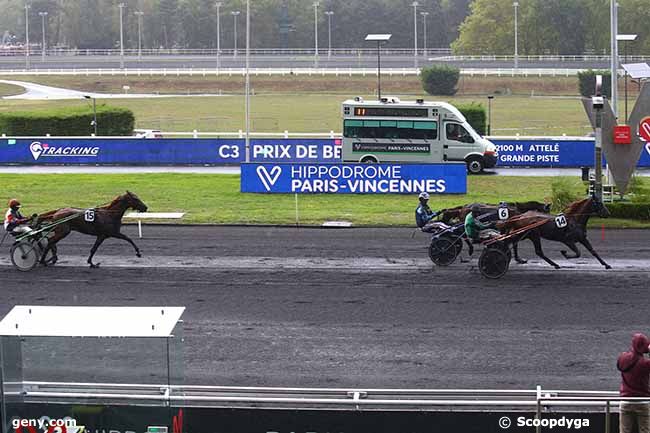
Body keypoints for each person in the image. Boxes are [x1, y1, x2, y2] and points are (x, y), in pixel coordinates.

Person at [617, 333, 650, 433]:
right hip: (643, 402)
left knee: (624, 431)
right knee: (645, 430)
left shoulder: (623, 358)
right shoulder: (645, 364)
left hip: (626, 401)